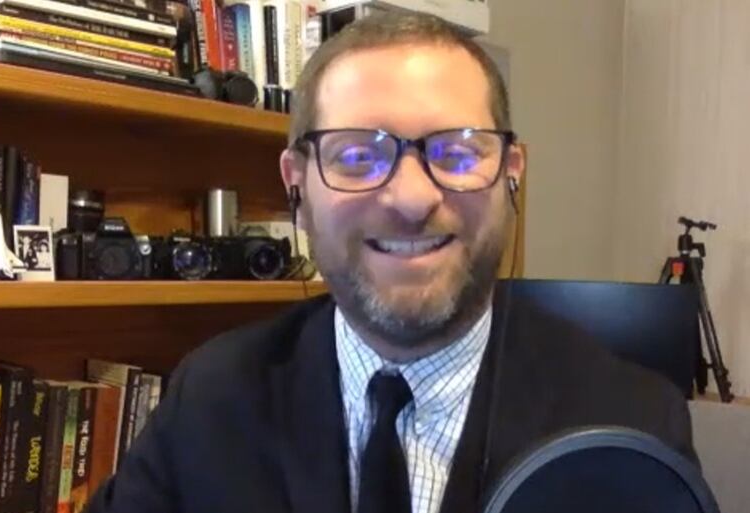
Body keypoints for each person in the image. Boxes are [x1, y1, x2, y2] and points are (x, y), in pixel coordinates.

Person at [87, 11, 697, 513]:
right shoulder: (211, 399)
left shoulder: (630, 421)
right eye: (357, 157)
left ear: (511, 176)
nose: (411, 199)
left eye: (458, 153)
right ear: (297, 187)